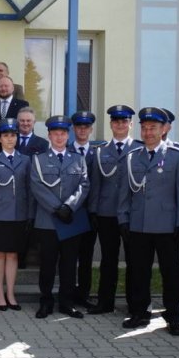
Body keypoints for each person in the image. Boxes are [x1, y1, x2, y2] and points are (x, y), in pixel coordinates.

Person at [117, 108, 179, 335]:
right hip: (138, 224)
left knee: (171, 273)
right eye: (145, 127)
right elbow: (125, 193)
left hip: (167, 225)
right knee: (139, 271)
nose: (148, 132)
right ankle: (140, 313)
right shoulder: (132, 157)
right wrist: (123, 219)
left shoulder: (177, 156)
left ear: (163, 129)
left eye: (153, 128)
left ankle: (173, 316)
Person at [30, 115, 91, 320]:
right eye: (55, 133)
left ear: (68, 135)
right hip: (48, 221)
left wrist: (70, 207)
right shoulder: (39, 160)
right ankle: (45, 302)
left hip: (70, 220)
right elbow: (36, 186)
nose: (59, 137)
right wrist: (57, 208)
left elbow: (84, 185)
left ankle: (66, 303)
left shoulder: (78, 159)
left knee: (68, 264)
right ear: (49, 136)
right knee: (47, 264)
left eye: (63, 133)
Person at [87, 104, 141, 315]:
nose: (120, 124)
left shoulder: (138, 149)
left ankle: (133, 302)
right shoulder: (100, 151)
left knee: (133, 260)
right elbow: (96, 184)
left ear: (130, 124)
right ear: (111, 124)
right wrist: (93, 210)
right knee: (108, 260)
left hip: (131, 214)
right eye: (116, 121)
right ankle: (105, 302)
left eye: (124, 121)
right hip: (107, 213)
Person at [0, 118, 32, 311]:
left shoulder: (25, 160)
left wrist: (29, 215)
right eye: (6, 136)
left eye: (13, 135)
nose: (10, 139)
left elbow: (29, 190)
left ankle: (11, 292)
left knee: (13, 255)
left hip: (18, 215)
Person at [68, 110, 102, 309]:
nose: (82, 130)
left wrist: (95, 210)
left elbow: (98, 184)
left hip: (90, 213)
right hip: (71, 212)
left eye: (86, 127)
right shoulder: (66, 150)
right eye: (79, 126)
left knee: (86, 257)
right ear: (73, 129)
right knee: (70, 256)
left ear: (90, 129)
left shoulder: (98, 153)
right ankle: (69, 292)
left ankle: (84, 293)